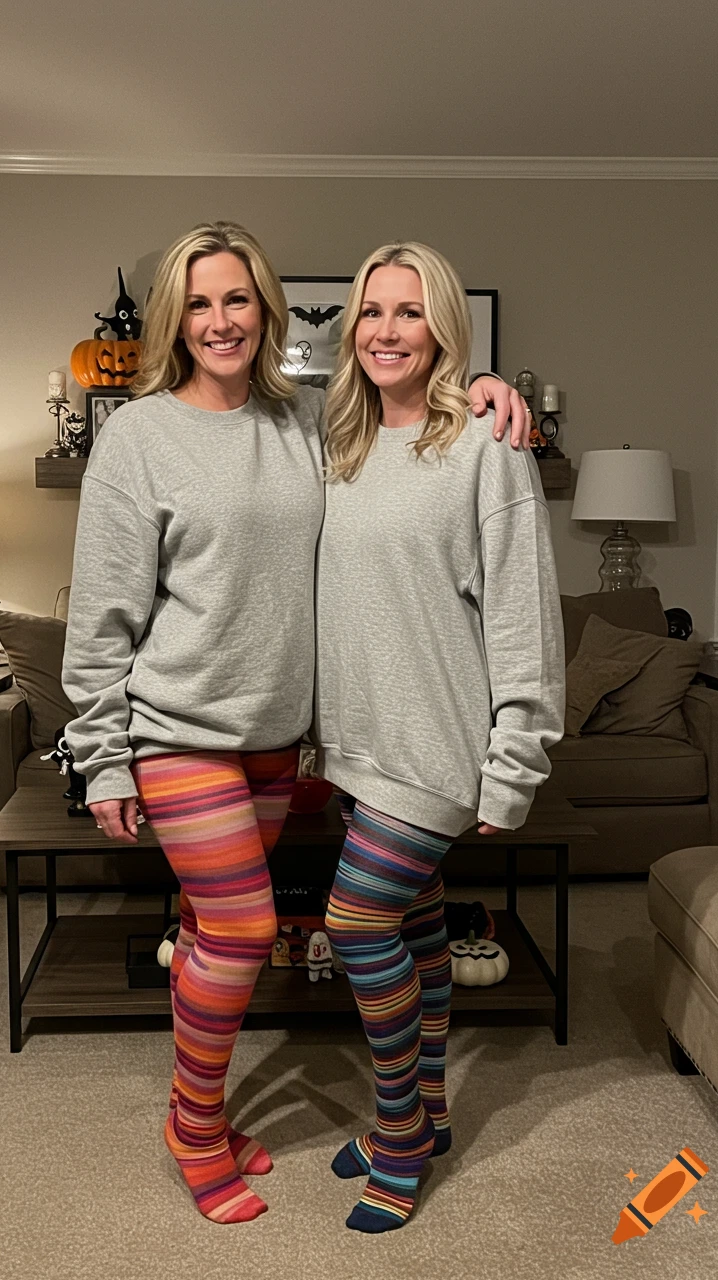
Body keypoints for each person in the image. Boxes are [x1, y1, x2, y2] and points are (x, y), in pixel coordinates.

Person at [61, 221, 527, 1226]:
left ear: (267, 310)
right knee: (239, 927)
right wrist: (101, 758)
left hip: (279, 738)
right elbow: (99, 610)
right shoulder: (137, 435)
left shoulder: (311, 420)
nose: (219, 320)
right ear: (172, 319)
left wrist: (483, 385)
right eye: (197, 302)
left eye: (237, 299)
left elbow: (413, 407)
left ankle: (411, 1112)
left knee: (247, 924)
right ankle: (192, 1124)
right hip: (177, 727)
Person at [313, 242, 565, 1233]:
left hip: (435, 749)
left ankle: (399, 1132)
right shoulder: (333, 442)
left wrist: (512, 767)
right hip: (354, 747)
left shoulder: (485, 448)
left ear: (441, 328)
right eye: (370, 311)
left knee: (356, 921)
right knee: (415, 929)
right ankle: (435, 1105)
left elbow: (521, 616)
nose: (383, 329)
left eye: (408, 312)